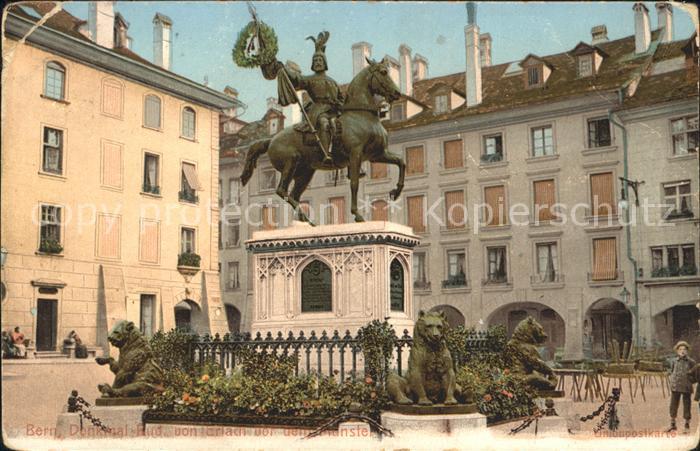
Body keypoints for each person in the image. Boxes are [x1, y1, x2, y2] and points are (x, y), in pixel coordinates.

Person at [668, 341, 696, 433]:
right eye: (680, 349)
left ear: (687, 351)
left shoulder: (691, 362)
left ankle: (687, 425)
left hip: (686, 387)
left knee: (687, 405)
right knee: (673, 405)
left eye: (684, 349)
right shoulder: (674, 361)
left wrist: (690, 380)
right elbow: (672, 372)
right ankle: (673, 424)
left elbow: (695, 375)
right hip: (676, 386)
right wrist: (672, 381)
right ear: (677, 351)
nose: (682, 351)